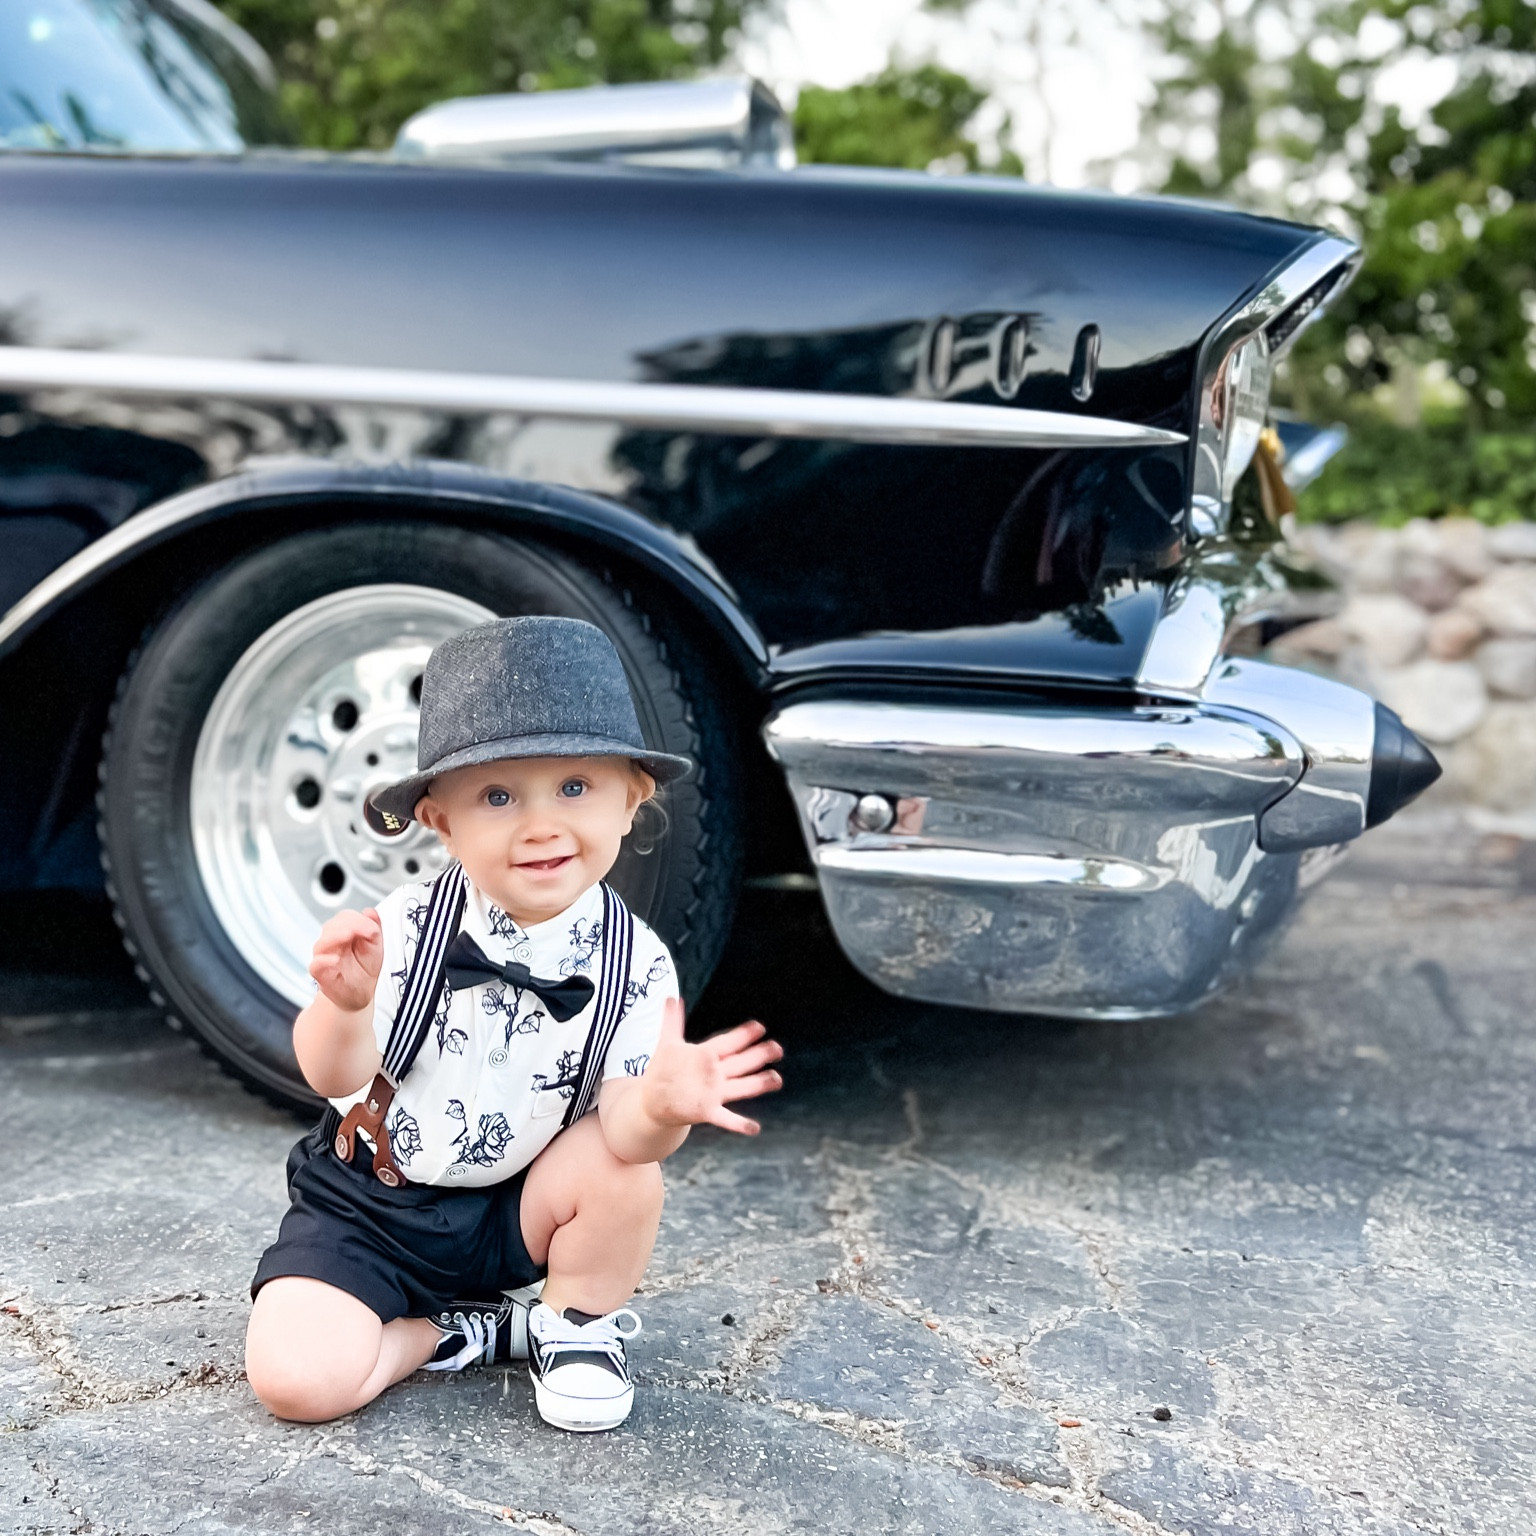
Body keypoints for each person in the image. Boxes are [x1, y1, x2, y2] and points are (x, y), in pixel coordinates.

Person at [245, 615, 782, 1432]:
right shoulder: (407, 925)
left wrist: (661, 1106)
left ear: (631, 800)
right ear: (442, 821)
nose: (540, 824)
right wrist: (345, 1006)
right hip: (372, 1207)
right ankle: (449, 1334)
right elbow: (330, 1078)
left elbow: (629, 1142)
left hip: (515, 1210)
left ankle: (571, 1327)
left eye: (575, 787)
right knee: (297, 1382)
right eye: (498, 796)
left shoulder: (634, 962)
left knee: (624, 1173)